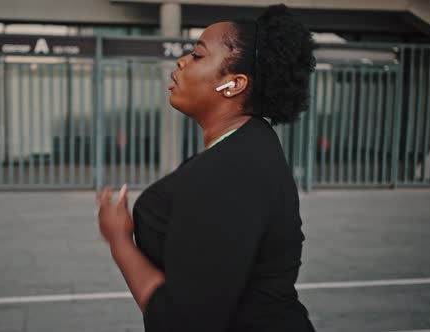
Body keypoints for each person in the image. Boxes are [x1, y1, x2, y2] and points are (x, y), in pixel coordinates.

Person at [96, 4, 316, 331]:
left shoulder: (229, 170)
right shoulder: (254, 142)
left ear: (234, 84)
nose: (181, 62)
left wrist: (119, 241)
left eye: (198, 55)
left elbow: (184, 322)